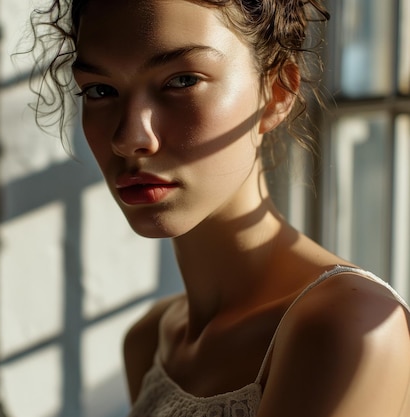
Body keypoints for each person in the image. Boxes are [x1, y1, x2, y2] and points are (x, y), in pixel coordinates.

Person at [28, 0, 410, 415]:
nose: (129, 137)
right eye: (100, 91)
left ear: (277, 92)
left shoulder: (348, 325)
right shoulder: (151, 339)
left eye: (182, 80)